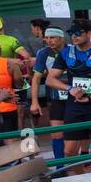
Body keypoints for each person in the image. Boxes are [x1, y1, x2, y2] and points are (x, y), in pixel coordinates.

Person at [46, 21, 91, 172]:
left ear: (89, 34)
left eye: (78, 33)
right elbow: (50, 79)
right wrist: (70, 88)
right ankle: (82, 181)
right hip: (74, 107)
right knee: (69, 151)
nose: (74, 37)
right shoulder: (65, 54)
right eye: (72, 33)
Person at [29, 27, 68, 159]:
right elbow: (36, 78)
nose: (48, 41)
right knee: (56, 133)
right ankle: (59, 166)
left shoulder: (72, 50)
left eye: (52, 37)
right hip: (55, 98)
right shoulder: (43, 53)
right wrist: (34, 102)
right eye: (46, 38)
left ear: (61, 38)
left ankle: (85, 161)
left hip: (75, 97)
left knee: (77, 132)